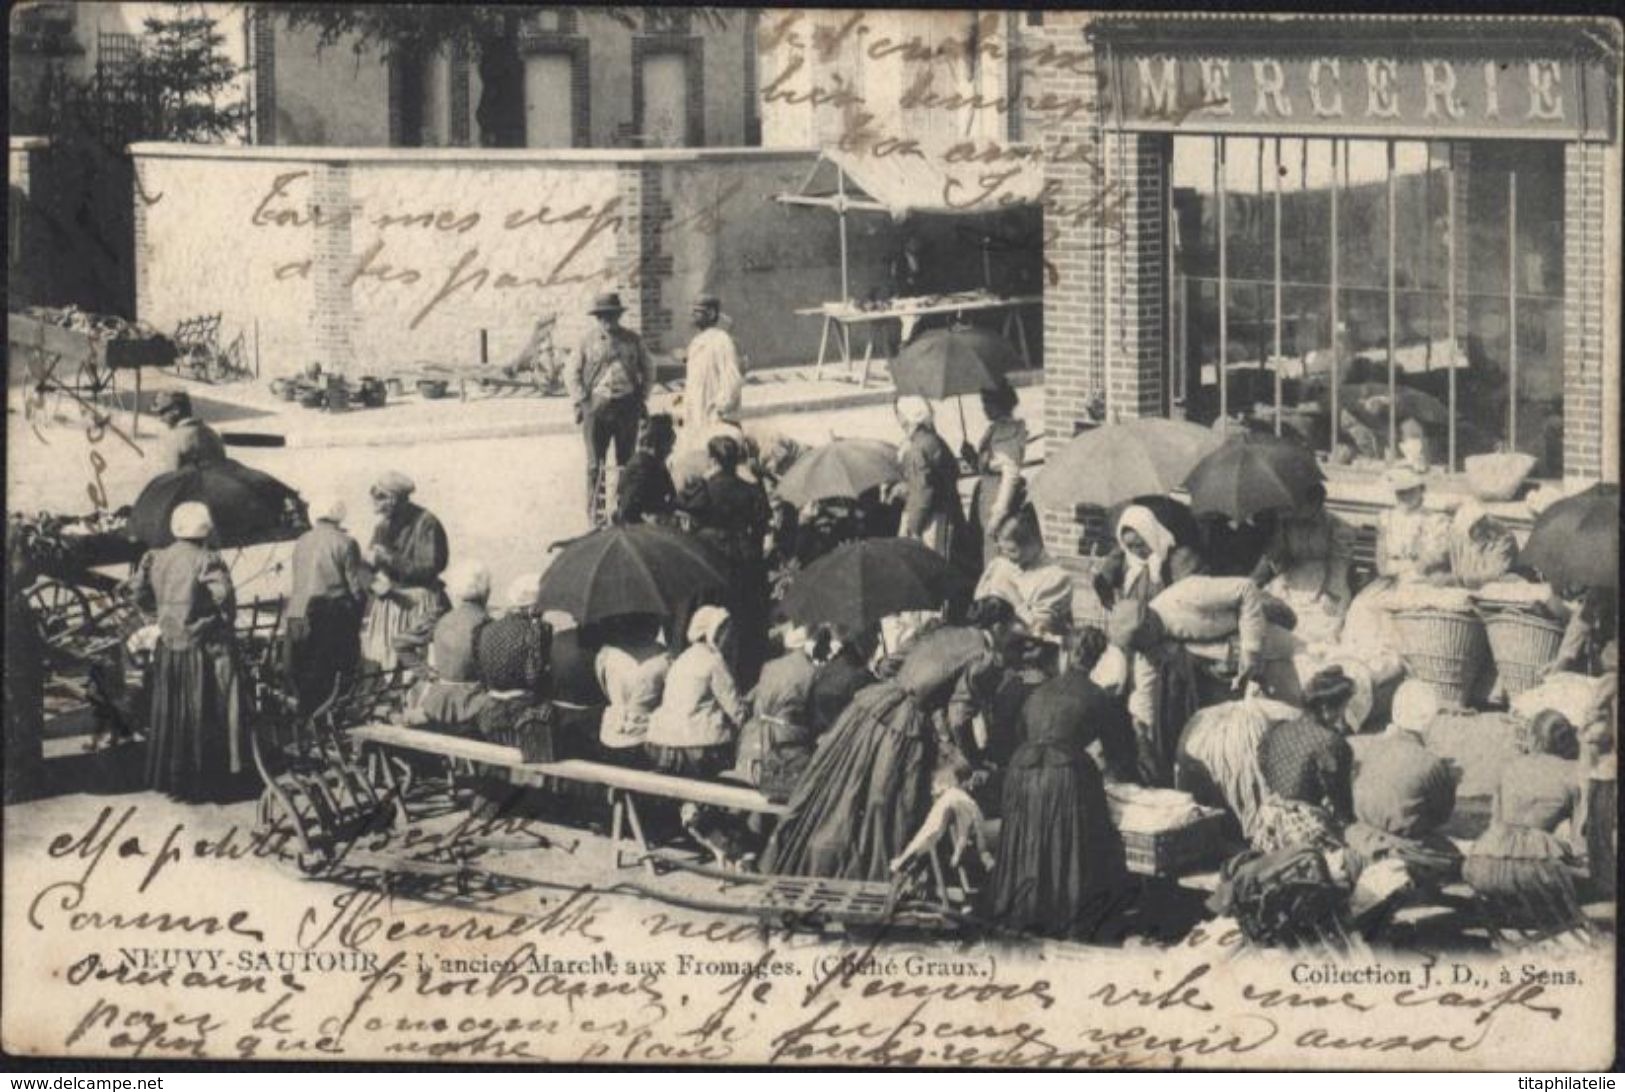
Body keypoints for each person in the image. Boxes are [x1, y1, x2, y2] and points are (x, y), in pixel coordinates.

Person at [762, 605, 1016, 882]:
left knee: (840, 791)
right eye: (1011, 629)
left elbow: (887, 666)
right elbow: (959, 716)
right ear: (998, 628)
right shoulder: (985, 656)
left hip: (872, 705)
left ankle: (809, 868)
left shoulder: (936, 631)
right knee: (885, 806)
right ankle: (874, 879)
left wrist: (913, 688)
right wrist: (974, 757)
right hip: (902, 725)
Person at [985, 627, 1139, 938]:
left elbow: (1021, 734)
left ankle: (1026, 914)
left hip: (1021, 773)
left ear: (1068, 653)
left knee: (1029, 842)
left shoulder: (1039, 692)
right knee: (1067, 842)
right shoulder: (1098, 696)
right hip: (1063, 774)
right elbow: (1121, 753)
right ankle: (1065, 915)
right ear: (1096, 660)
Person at [130, 502, 247, 803]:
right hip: (201, 649)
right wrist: (217, 620)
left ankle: (173, 780)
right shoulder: (208, 560)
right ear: (206, 528)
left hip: (170, 647)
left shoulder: (157, 557)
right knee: (205, 711)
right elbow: (226, 603)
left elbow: (138, 594)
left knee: (174, 711)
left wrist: (158, 621)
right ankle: (205, 781)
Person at [1463, 710, 1587, 928]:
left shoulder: (1509, 767)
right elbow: (1580, 842)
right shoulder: (1574, 773)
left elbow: (1496, 823)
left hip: (1481, 866)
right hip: (1537, 873)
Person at [1345, 681, 1462, 891]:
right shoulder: (1430, 762)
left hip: (1361, 837)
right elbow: (1442, 815)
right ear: (1428, 721)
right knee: (1454, 858)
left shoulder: (1372, 750)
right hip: (1407, 846)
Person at [679, 434, 773, 687]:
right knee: (744, 616)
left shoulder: (704, 489)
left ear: (712, 460)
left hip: (710, 556)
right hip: (743, 558)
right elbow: (763, 518)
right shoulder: (749, 489)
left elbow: (686, 507)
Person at [1341, 467, 1449, 664]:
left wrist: (1412, 570)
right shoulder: (1386, 518)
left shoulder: (1433, 519)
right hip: (1389, 576)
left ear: (1421, 490)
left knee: (1397, 608)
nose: (1404, 496)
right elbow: (1381, 555)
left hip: (1417, 577)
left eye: (1410, 490)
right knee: (1362, 606)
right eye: (1400, 492)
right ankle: (1362, 659)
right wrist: (1386, 571)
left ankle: (1396, 662)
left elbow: (1435, 555)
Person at [566, 292, 655, 522]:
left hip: (627, 406)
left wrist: (641, 397)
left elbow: (649, 369)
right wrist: (581, 399)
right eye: (602, 316)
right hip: (597, 407)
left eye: (611, 315)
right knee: (596, 463)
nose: (607, 321)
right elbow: (571, 373)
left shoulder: (633, 340)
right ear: (597, 318)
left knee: (626, 461)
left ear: (619, 316)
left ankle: (624, 509)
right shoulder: (586, 342)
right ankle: (596, 512)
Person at [1250, 666, 1358, 854]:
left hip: (1268, 824)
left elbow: (1264, 765)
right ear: (1325, 708)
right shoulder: (1331, 742)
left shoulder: (1277, 729)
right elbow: (1342, 803)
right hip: (1303, 830)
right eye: (1343, 708)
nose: (1344, 714)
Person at [283, 493, 368, 715]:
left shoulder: (301, 541)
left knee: (302, 671)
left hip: (296, 613)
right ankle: (323, 725)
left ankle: (303, 723)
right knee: (330, 675)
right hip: (328, 614)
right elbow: (356, 588)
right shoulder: (346, 543)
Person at [359, 472, 450, 672]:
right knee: (386, 661)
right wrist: (373, 583)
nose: (378, 507)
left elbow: (430, 567)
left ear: (394, 499)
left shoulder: (426, 523)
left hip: (417, 602)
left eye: (381, 499)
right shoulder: (382, 526)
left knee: (415, 661)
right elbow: (365, 565)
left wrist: (388, 559)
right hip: (389, 602)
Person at [646, 606, 747, 778]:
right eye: (724, 633)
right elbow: (736, 710)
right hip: (699, 745)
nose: (728, 639)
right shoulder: (714, 661)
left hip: (663, 741)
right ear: (712, 633)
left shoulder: (682, 659)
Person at [1251, 482, 1354, 647]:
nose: (1296, 508)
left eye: (1301, 504)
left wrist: (1332, 592)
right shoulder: (1287, 523)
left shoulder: (1337, 527)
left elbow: (1340, 564)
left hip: (1325, 578)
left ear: (1316, 504)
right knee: (1273, 610)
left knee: (1322, 619)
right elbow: (1278, 559)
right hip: (1292, 575)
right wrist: (1275, 545)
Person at [732, 624, 819, 802]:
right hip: (783, 752)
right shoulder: (812, 673)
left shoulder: (769, 667)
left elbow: (749, 700)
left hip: (753, 746)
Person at [409, 562, 492, 729]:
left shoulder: (441, 619)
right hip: (473, 705)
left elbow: (401, 643)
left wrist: (426, 672)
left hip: (437, 701)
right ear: (486, 592)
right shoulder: (488, 625)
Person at [893, 396, 968, 571]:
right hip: (949, 512)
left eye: (900, 416)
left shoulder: (917, 449)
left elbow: (923, 492)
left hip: (932, 519)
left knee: (930, 566)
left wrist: (913, 526)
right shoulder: (935, 440)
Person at [974, 510, 1073, 642]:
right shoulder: (1000, 565)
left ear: (1033, 543)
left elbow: (1039, 632)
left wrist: (1016, 599)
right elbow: (978, 607)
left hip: (1029, 654)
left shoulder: (1056, 578)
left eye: (1013, 551)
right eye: (1003, 550)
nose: (1007, 556)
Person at [963, 384, 1028, 572]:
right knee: (985, 551)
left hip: (996, 497)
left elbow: (1010, 474)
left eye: (987, 403)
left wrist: (998, 512)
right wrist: (972, 458)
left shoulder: (1008, 433)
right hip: (986, 494)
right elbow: (988, 467)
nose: (984, 408)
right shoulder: (995, 429)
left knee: (996, 554)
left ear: (999, 404)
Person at [1093, 503, 1202, 615]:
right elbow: (1103, 582)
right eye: (1129, 546)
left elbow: (1188, 595)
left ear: (1150, 535)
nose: (1136, 551)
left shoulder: (1173, 557)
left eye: (1140, 544)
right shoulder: (1124, 558)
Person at [4, 526, 47, 802]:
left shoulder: (16, 599)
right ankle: (19, 783)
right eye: (25, 556)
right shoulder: (13, 602)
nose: (33, 571)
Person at [594, 613, 671, 759]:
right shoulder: (664, 657)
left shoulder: (607, 653)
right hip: (645, 734)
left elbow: (603, 685)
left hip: (610, 731)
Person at [677, 294, 745, 455]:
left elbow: (732, 378)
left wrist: (720, 408)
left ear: (712, 314)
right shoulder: (696, 343)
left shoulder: (722, 340)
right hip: (696, 413)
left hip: (714, 414)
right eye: (693, 311)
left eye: (699, 312)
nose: (693, 315)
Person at [807, 625, 877, 738]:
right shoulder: (860, 676)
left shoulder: (830, 667)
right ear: (865, 644)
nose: (876, 644)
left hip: (823, 733)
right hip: (845, 735)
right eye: (874, 640)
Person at [614, 414, 678, 526]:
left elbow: (672, 496)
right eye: (669, 445)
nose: (671, 450)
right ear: (658, 443)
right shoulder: (642, 466)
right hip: (639, 532)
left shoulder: (656, 464)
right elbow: (627, 511)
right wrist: (652, 519)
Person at [1440, 500, 1518, 590]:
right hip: (1463, 590)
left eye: (1481, 523)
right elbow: (1441, 555)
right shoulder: (1459, 535)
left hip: (1492, 592)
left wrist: (1456, 579)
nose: (1479, 530)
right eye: (1473, 528)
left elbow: (1495, 575)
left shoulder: (1504, 540)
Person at [152, 390, 227, 473]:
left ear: (175, 410)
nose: (160, 419)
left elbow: (171, 480)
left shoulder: (176, 438)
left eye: (162, 413)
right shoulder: (212, 433)